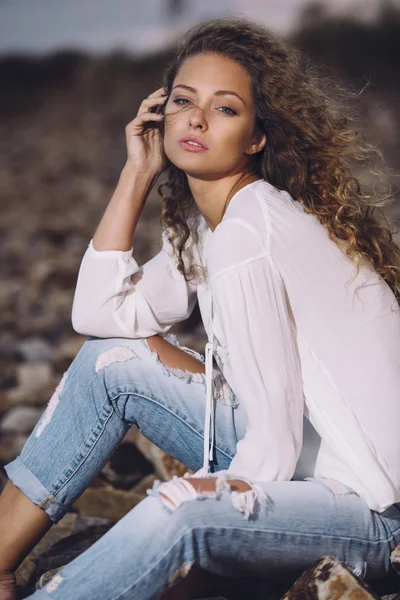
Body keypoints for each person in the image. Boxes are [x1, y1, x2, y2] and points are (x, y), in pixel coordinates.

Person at [1, 15, 400, 600]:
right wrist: (135, 174)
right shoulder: (205, 225)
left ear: (257, 137)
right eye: (184, 101)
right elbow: (99, 317)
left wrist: (211, 503)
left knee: (178, 511)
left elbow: (274, 440)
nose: (197, 118)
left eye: (226, 108)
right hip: (310, 461)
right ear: (161, 115)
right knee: (113, 363)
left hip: (371, 509)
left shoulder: (249, 231)